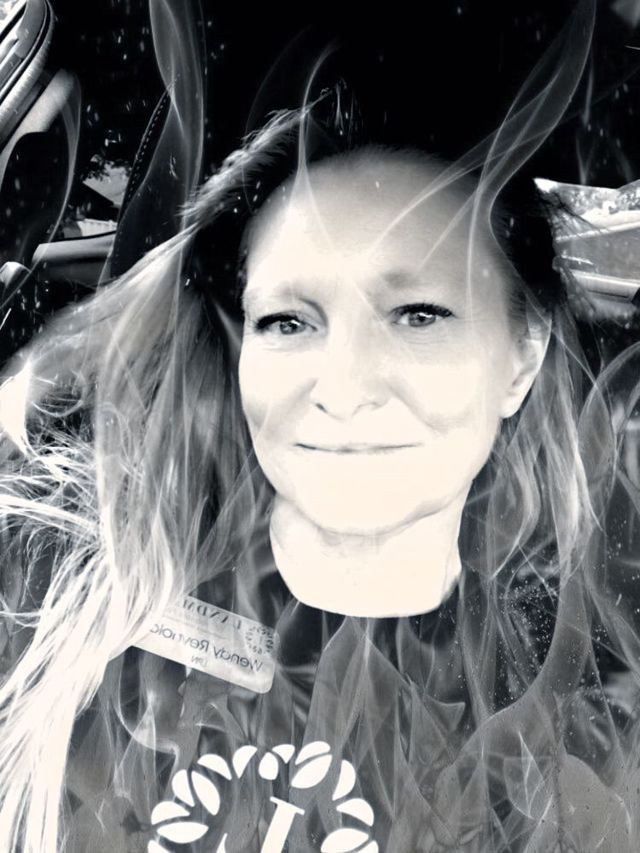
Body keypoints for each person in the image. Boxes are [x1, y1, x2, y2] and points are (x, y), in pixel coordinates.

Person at [1, 6, 640, 853]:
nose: (343, 388)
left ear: (522, 354)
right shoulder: (59, 582)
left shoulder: (576, 744)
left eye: (418, 314)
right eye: (288, 321)